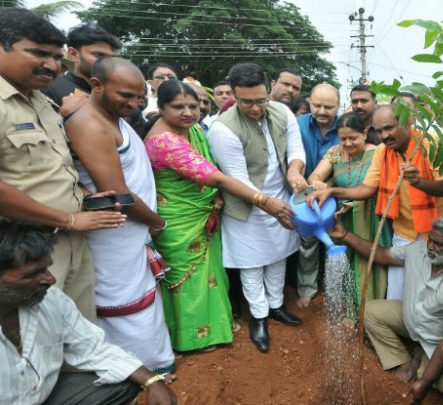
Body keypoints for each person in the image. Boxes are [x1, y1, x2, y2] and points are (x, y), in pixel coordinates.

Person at [0, 8, 126, 320]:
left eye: (57, 57)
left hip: (72, 237)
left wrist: (84, 198)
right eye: (39, 54)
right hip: (24, 251)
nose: (52, 66)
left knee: (79, 329)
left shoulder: (42, 100)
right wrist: (67, 219)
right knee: (33, 338)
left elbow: (50, 169)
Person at [146, 79, 287, 352]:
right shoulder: (164, 141)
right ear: (161, 108)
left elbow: (210, 167)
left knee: (210, 275)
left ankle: (214, 328)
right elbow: (217, 177)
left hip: (204, 212)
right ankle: (191, 338)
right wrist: (264, 201)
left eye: (194, 106)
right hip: (180, 219)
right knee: (189, 279)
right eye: (179, 107)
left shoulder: (193, 129)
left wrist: (218, 198)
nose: (188, 112)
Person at [66, 57, 175, 374]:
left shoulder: (110, 115)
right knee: (123, 302)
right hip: (113, 232)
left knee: (141, 296)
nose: (134, 103)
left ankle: (154, 364)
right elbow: (117, 194)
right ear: (96, 85)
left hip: (130, 231)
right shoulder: (89, 124)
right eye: (125, 95)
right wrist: (157, 222)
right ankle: (134, 371)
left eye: (139, 96)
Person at [0, 221, 178, 405]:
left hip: (41, 396)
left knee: (125, 379)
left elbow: (92, 347)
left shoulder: (51, 300)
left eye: (46, 269)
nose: (50, 279)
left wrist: (152, 381)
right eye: (30, 275)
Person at [309, 105, 443, 300]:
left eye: (389, 128)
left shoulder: (437, 144)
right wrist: (331, 191)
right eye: (379, 131)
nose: (384, 135)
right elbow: (367, 189)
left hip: (442, 231)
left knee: (434, 294)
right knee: (397, 295)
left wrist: (418, 182)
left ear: (407, 123)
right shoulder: (382, 152)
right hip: (405, 230)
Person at [207, 63, 307, 353]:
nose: (255, 108)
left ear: (269, 88)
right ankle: (259, 316)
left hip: (281, 196)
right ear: (235, 97)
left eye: (260, 100)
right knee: (252, 264)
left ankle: (276, 306)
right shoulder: (222, 128)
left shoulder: (282, 111)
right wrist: (269, 205)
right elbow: (236, 179)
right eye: (246, 102)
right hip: (247, 206)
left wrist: (294, 171)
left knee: (278, 256)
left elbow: (296, 150)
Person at [328, 217, 443, 402]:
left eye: (439, 244)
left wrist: (424, 382)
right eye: (430, 239)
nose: (430, 247)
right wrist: (345, 235)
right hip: (410, 319)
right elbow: (380, 254)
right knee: (370, 311)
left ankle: (420, 355)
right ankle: (402, 360)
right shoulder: (417, 250)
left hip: (434, 340)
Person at [307, 112, 392, 308]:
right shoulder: (335, 153)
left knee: (371, 261)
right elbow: (315, 176)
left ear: (364, 133)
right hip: (342, 218)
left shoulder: (379, 152)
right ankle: (349, 309)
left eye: (353, 138)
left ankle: (369, 310)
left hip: (372, 217)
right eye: (343, 138)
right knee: (346, 262)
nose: (348, 144)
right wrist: (319, 185)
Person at [295, 83, 341, 307]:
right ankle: (307, 288)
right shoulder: (297, 125)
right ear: (309, 102)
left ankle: (335, 292)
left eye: (328, 107)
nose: (322, 111)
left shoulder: (345, 129)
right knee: (308, 243)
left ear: (338, 106)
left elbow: (348, 165)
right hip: (303, 196)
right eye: (317, 105)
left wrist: (327, 185)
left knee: (335, 240)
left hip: (337, 194)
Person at [43, 23, 122, 111]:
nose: (107, 62)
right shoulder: (51, 90)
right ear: (73, 54)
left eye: (111, 58)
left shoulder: (120, 94)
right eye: (99, 55)